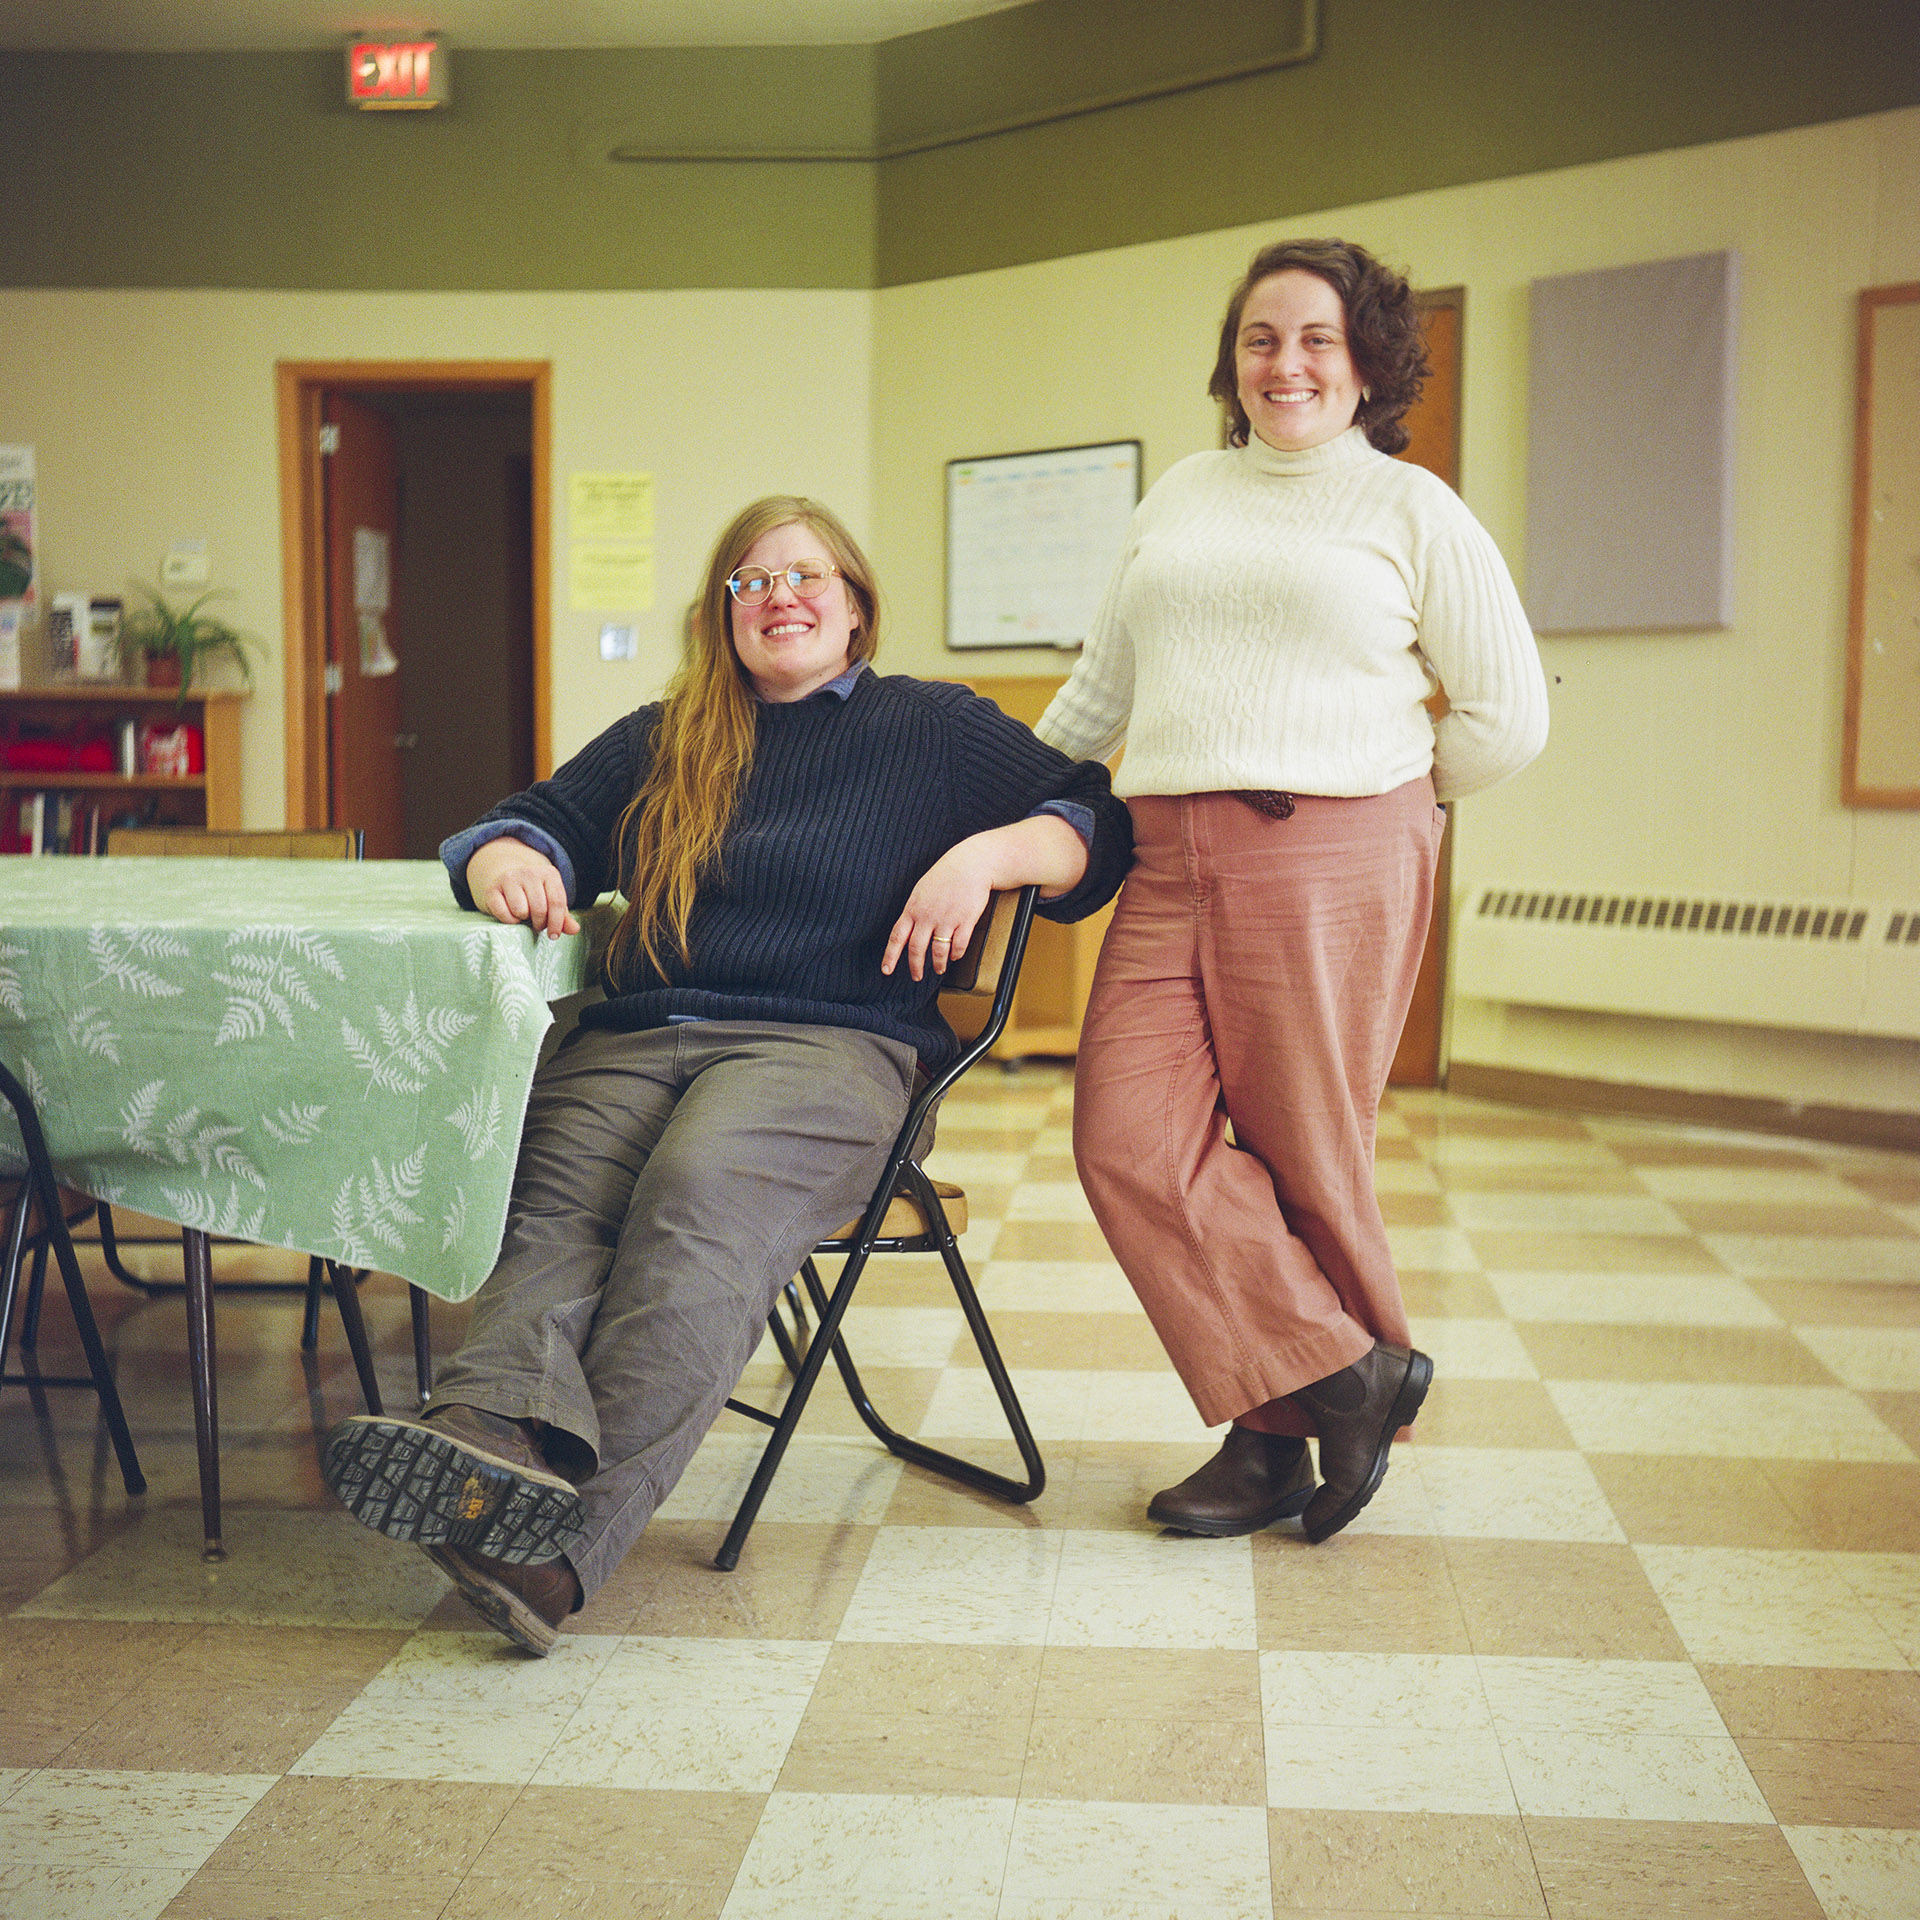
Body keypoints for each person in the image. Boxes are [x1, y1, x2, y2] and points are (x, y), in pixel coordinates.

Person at [322, 494, 1131, 1651]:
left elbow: (1099, 826)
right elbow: (531, 819)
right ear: (724, 615)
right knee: (549, 1181)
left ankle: (553, 1553)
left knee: (698, 1195)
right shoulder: (669, 734)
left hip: (832, 1044)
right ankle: (489, 1445)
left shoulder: (931, 729)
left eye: (806, 576)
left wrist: (986, 853)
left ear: (855, 608)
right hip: (641, 1030)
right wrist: (508, 857)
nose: (780, 596)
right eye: (751, 582)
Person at [1035, 238, 1548, 1545]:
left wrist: (1390, 799)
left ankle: (1265, 1449)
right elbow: (1102, 692)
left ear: (1367, 359)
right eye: (1263, 338)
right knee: (1126, 1139)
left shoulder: (1410, 509)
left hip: (1332, 848)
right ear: (1233, 361)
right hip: (1166, 851)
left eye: (1318, 337)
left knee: (1306, 1158)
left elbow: (1505, 714)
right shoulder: (1181, 497)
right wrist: (988, 802)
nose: (1289, 363)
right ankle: (1345, 1375)